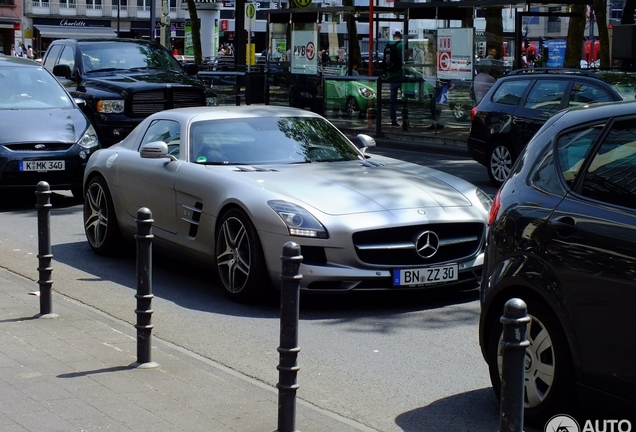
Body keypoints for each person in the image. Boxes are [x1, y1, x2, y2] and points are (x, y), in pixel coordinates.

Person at [385, 29, 404, 127]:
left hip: (391, 75)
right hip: (400, 74)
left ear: (393, 35)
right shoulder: (401, 45)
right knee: (405, 99)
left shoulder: (388, 45)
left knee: (393, 100)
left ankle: (393, 119)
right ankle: (406, 120)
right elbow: (406, 60)